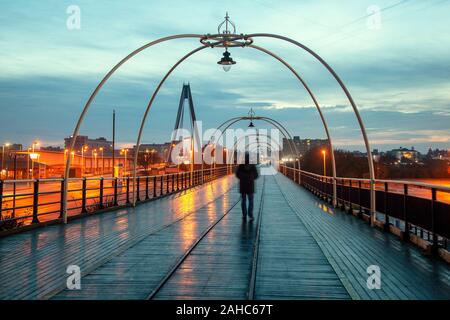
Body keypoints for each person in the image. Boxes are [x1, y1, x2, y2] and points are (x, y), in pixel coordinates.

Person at [235, 152, 259, 221]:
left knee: (243, 200)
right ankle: (250, 215)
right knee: (251, 200)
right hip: (250, 186)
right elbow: (256, 175)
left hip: (243, 186)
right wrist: (251, 178)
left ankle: (244, 215)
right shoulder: (252, 166)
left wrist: (242, 178)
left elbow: (237, 174)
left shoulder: (241, 166)